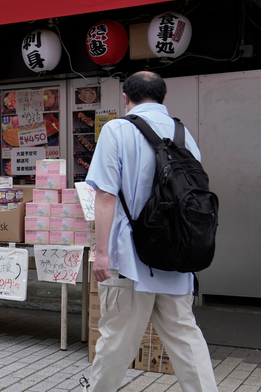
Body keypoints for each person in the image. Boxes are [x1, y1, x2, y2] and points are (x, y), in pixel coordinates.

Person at [85, 71, 217, 391]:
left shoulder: (117, 129)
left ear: (125, 99)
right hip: (174, 257)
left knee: (116, 341)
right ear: (163, 98)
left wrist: (101, 253)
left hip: (131, 259)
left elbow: (105, 194)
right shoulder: (183, 134)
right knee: (186, 340)